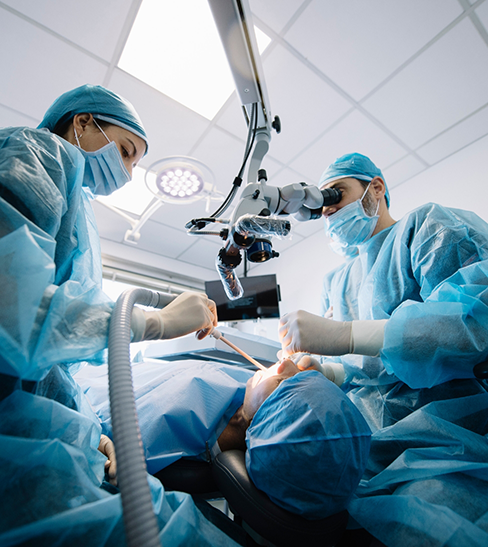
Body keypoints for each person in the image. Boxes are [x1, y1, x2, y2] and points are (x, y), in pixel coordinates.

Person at [0, 84, 239, 547]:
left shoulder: (80, 211)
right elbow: (13, 316)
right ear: (83, 123)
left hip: (39, 428)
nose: (129, 171)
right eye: (127, 151)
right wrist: (158, 322)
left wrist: (89, 432)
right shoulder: (38, 154)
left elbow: (56, 366)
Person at [278, 153, 488, 547]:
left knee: (428, 521)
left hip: (447, 439)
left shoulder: (429, 228)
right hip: (367, 441)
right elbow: (366, 369)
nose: (329, 209)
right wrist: (329, 373)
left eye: (336, 194)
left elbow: (473, 324)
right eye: (323, 207)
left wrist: (347, 335)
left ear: (375, 188)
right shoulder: (337, 282)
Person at [73, 355, 371, 520]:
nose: (285, 363)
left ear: (264, 425)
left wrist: (91, 437)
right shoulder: (246, 394)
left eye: (284, 381)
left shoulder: (164, 443)